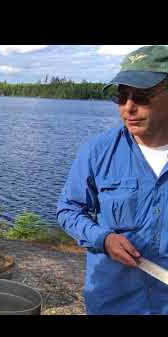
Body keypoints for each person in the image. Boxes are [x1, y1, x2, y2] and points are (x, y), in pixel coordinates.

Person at [57, 45, 168, 315]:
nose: (128, 108)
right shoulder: (98, 151)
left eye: (141, 97)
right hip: (112, 303)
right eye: (121, 97)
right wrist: (103, 239)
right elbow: (69, 210)